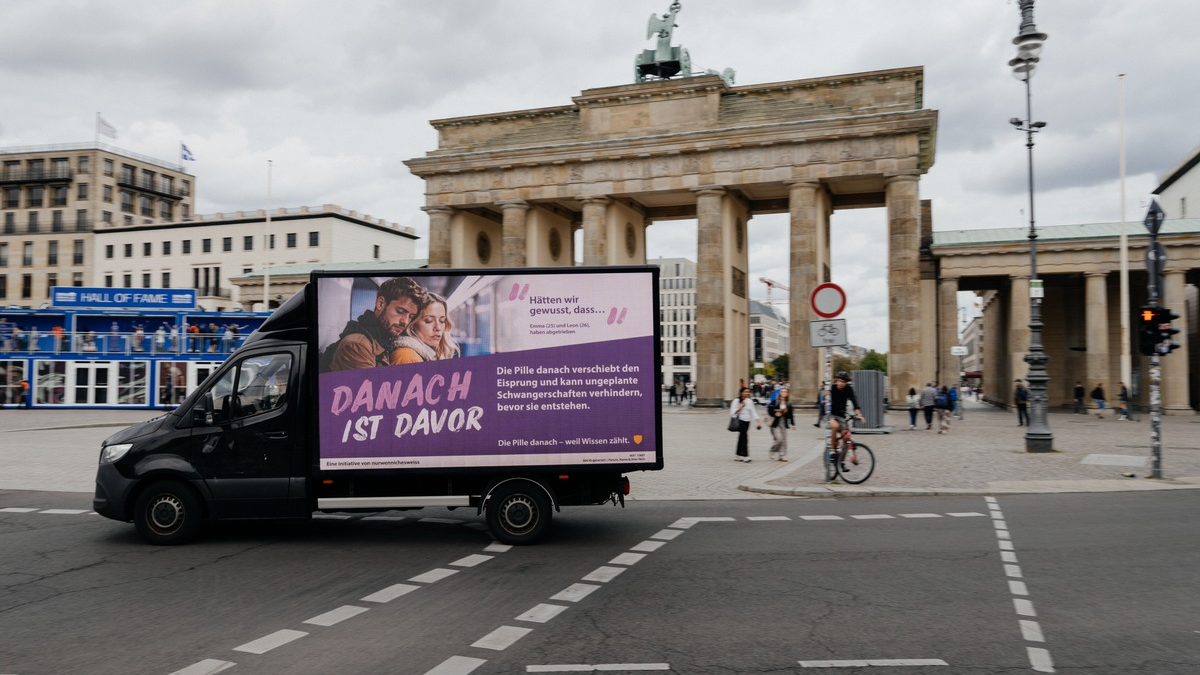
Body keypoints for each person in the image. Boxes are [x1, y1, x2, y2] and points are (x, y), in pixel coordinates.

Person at [323, 277, 428, 372]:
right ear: (380, 303)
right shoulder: (357, 345)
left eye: (411, 316)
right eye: (400, 311)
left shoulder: (382, 341)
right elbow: (368, 387)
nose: (405, 322)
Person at [389, 292, 459, 364]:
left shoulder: (426, 354)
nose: (438, 328)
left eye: (442, 321)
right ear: (412, 324)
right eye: (429, 321)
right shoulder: (408, 357)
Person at [827, 372, 863, 455]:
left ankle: (841, 459)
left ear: (846, 383)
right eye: (839, 381)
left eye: (843, 382)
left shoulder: (848, 389)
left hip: (841, 416)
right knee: (835, 426)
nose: (841, 383)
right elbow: (825, 400)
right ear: (836, 380)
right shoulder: (832, 388)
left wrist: (859, 415)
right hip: (831, 414)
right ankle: (832, 449)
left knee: (846, 438)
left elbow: (854, 402)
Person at [729, 387, 761, 462]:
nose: (747, 393)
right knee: (744, 437)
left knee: (741, 437)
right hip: (740, 420)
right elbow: (732, 412)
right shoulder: (736, 401)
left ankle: (738, 454)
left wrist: (758, 420)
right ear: (741, 393)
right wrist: (740, 407)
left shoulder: (749, 401)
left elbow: (753, 411)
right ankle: (745, 455)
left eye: (748, 392)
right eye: (745, 392)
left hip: (747, 421)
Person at [766, 387, 794, 461]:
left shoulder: (788, 404)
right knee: (779, 439)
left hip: (783, 423)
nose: (784, 393)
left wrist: (792, 424)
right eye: (782, 392)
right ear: (780, 393)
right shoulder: (775, 402)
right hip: (775, 423)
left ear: (787, 394)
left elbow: (791, 415)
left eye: (785, 392)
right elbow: (769, 410)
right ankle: (772, 450)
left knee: (784, 440)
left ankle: (782, 455)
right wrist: (775, 413)